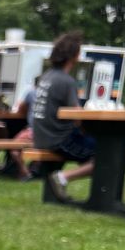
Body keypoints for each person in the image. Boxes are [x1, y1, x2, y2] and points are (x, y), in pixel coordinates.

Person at [32, 30, 95, 201]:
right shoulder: (66, 81)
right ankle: (62, 178)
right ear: (74, 55)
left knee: (100, 149)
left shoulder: (47, 76)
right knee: (108, 155)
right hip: (59, 139)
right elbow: (77, 117)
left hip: (41, 137)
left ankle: (59, 182)